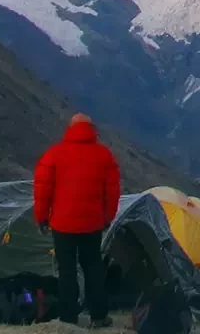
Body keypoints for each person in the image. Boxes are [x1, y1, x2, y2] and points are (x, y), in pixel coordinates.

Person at [33, 113, 121, 328]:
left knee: (66, 270)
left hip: (62, 225)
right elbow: (112, 193)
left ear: (70, 128)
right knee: (93, 268)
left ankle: (68, 318)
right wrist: (106, 218)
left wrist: (42, 217)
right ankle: (99, 316)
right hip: (92, 225)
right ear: (92, 129)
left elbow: (43, 191)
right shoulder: (104, 156)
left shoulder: (54, 154)